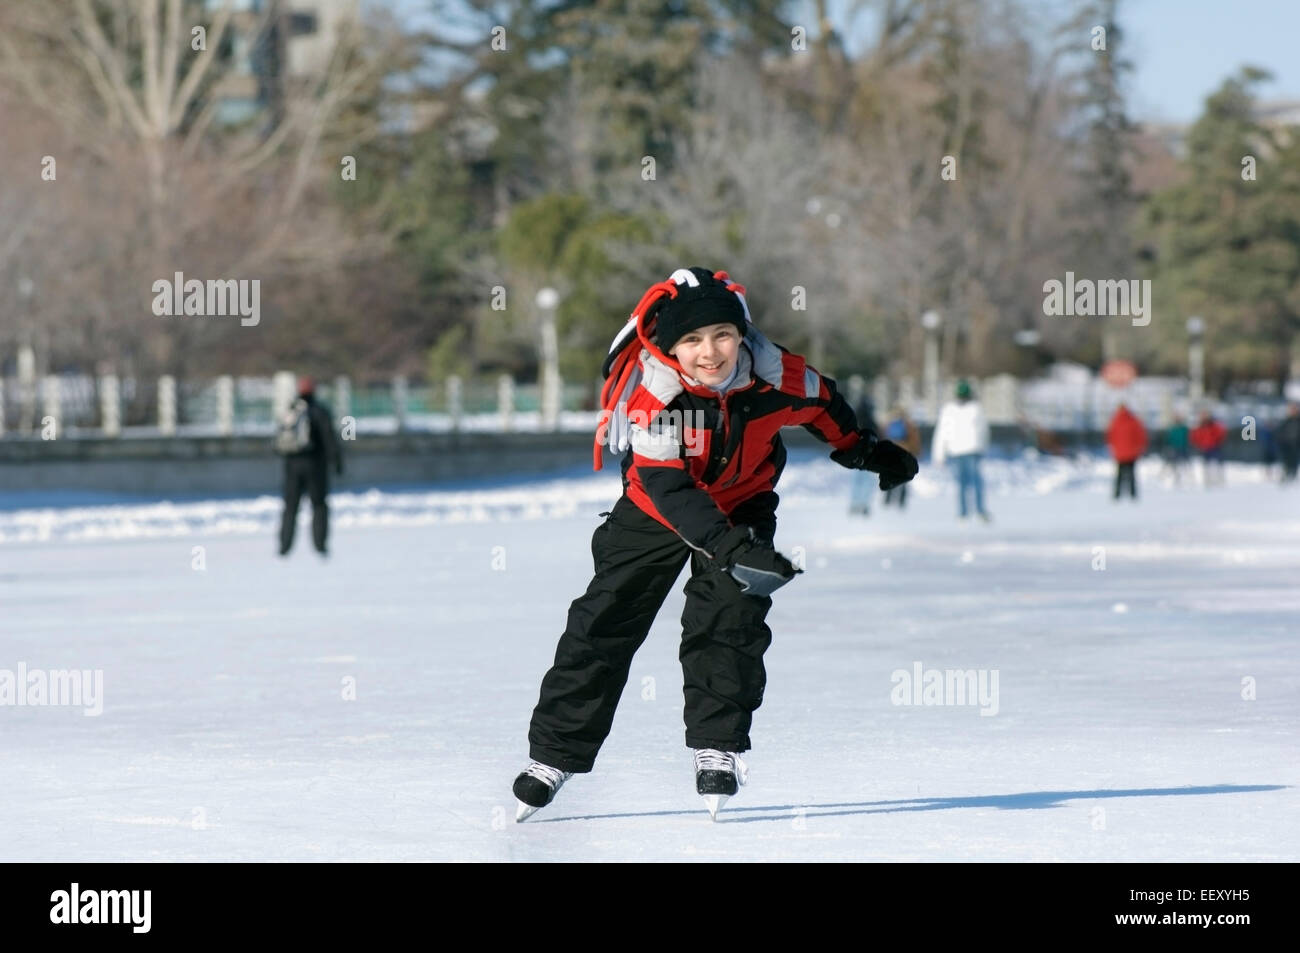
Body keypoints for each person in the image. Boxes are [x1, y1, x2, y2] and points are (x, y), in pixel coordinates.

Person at [512, 267, 917, 822]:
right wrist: (729, 550)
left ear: (742, 334)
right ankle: (554, 756)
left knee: (731, 620)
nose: (710, 352)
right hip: (655, 510)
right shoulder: (654, 398)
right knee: (605, 620)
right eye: (692, 340)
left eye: (722, 335)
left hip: (743, 500)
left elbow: (826, 404)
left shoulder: (777, 378)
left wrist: (863, 451)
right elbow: (668, 485)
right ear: (671, 346)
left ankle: (718, 744)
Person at [276, 376, 343, 556]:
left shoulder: (291, 411)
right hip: (315, 466)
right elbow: (329, 439)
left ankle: (284, 546)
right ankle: (320, 544)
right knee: (319, 505)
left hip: (292, 466)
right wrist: (336, 461)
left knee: (290, 507)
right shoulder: (319, 411)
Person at [931, 379, 991, 521]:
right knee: (973, 483)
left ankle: (965, 513)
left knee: (963, 484)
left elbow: (942, 434)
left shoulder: (952, 409)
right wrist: (983, 447)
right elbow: (984, 432)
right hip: (969, 451)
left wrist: (939, 455)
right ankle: (977, 511)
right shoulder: (975, 408)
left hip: (962, 451)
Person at [1105, 403, 1147, 500]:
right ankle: (1133, 494)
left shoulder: (1115, 421)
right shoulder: (1133, 420)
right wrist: (1140, 447)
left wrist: (1113, 448)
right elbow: (1141, 436)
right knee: (1131, 474)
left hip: (1119, 453)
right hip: (1132, 452)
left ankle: (1117, 494)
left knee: (1119, 475)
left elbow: (1110, 437)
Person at [882, 406, 921, 508]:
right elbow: (914, 440)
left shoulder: (889, 424)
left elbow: (883, 437)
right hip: (904, 452)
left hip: (891, 451)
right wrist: (915, 452)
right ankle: (901, 501)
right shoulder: (907, 424)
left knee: (889, 475)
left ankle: (887, 500)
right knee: (903, 476)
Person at [848, 390, 879, 515]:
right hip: (868, 455)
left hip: (855, 454)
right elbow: (874, 434)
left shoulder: (854, 416)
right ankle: (863, 505)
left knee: (858, 481)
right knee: (866, 481)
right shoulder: (869, 419)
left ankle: (856, 504)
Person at [1189, 411, 1227, 487]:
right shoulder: (1199, 426)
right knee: (1206, 466)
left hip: (1215, 447)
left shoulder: (1214, 425)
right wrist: (1198, 444)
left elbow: (1221, 433)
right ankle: (1207, 481)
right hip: (1205, 448)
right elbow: (1194, 436)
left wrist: (1218, 441)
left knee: (1217, 464)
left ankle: (1219, 480)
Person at [1160, 415, 1191, 485]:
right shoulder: (1172, 429)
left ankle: (1185, 477)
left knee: (1184, 464)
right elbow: (1168, 439)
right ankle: (1171, 476)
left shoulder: (1184, 429)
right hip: (1174, 448)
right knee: (1172, 463)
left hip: (1183, 448)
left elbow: (1188, 438)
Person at [1276, 403, 1300, 484]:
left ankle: (1293, 476)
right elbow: (1280, 432)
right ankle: (1286, 475)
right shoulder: (1286, 421)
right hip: (1286, 445)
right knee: (1286, 461)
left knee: (1294, 462)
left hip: (1296, 445)